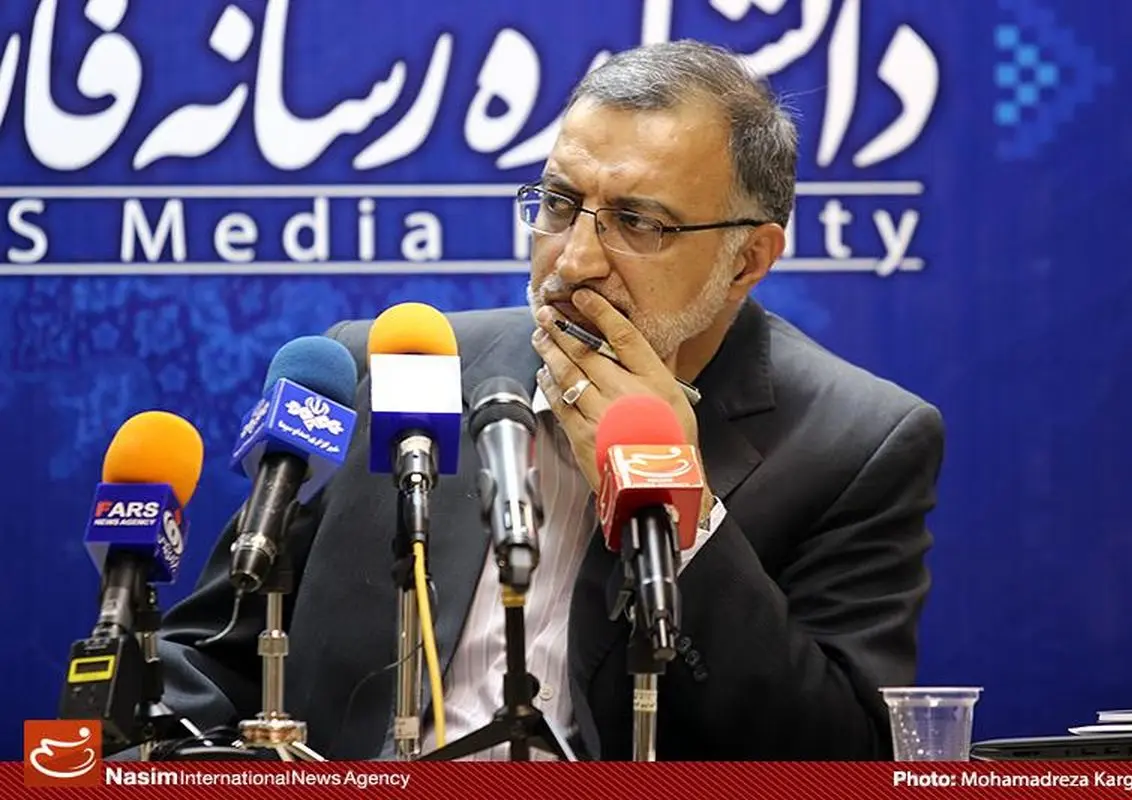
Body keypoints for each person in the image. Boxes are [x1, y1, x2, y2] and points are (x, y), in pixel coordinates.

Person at [152, 39, 945, 761]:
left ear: (748, 259)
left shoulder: (856, 442)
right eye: (560, 205)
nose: (573, 262)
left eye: (637, 222)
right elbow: (211, 658)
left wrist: (686, 511)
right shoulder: (387, 371)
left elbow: (839, 755)